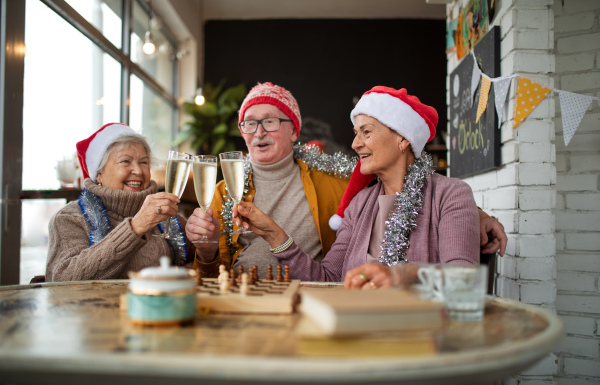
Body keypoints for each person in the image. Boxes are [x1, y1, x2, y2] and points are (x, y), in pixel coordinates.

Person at [185, 82, 507, 278]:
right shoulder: (358, 204)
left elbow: (461, 277)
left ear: (403, 139)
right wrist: (274, 235)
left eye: (366, 132)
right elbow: (329, 277)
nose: (354, 144)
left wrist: (474, 213)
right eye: (248, 124)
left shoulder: (447, 194)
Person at [46, 123, 195, 282]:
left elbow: (201, 266)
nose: (138, 171)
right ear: (99, 174)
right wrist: (136, 227)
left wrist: (208, 252)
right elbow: (62, 280)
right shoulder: (69, 218)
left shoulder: (168, 218)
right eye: (125, 161)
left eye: (143, 162)